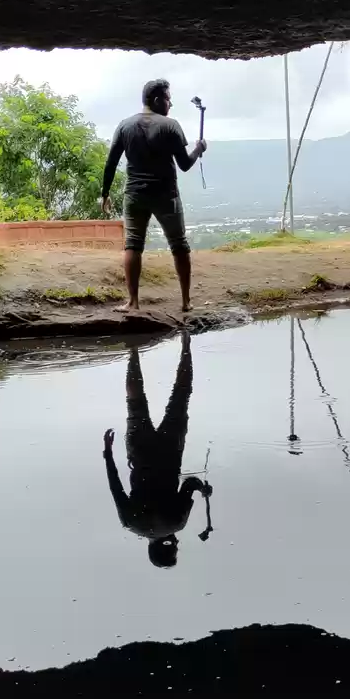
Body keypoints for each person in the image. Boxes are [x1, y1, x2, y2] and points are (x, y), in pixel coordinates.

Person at [103, 339, 212, 568]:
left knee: (180, 396)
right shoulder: (131, 524)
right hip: (140, 453)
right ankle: (133, 350)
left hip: (170, 452)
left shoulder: (177, 524)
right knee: (135, 402)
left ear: (171, 547)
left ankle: (186, 344)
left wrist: (203, 489)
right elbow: (115, 487)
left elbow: (189, 483)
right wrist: (108, 453)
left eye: (175, 548)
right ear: (150, 548)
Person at [101, 78, 206, 313]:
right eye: (169, 98)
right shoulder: (170, 126)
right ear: (158, 100)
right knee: (179, 245)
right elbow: (185, 165)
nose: (171, 104)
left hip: (135, 195)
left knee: (133, 245)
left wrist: (105, 193)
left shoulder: (124, 126)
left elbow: (111, 163)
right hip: (166, 195)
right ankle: (186, 302)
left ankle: (133, 302)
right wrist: (199, 148)